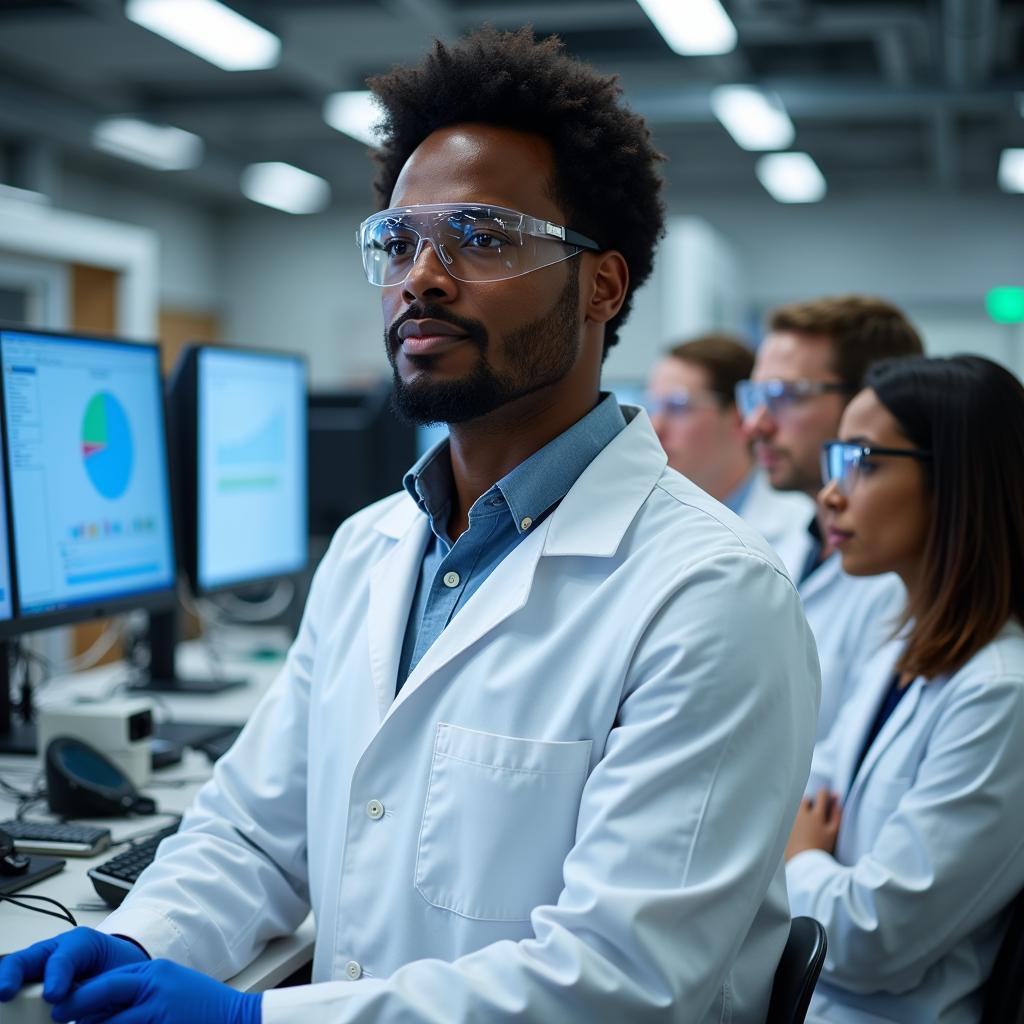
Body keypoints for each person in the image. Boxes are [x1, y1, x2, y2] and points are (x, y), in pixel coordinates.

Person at [0, 28, 820, 1024]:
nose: (421, 276)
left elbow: (624, 983)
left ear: (602, 284)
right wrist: (142, 935)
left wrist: (260, 1017)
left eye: (480, 236)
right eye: (397, 241)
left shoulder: (709, 594)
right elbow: (257, 831)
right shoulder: (371, 548)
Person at [785, 354, 1024, 1024]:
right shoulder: (904, 646)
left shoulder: (1001, 694)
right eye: (837, 459)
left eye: (863, 461)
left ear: (957, 479)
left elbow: (871, 938)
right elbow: (807, 797)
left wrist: (801, 857)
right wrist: (802, 849)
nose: (832, 493)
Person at [738, 296, 924, 739]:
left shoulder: (901, 581)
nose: (756, 425)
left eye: (784, 397)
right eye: (755, 397)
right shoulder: (785, 545)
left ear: (870, 402)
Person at [647, 332, 813, 578]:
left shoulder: (801, 528)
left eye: (678, 407)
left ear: (740, 415)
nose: (655, 427)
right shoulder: (651, 524)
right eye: (653, 407)